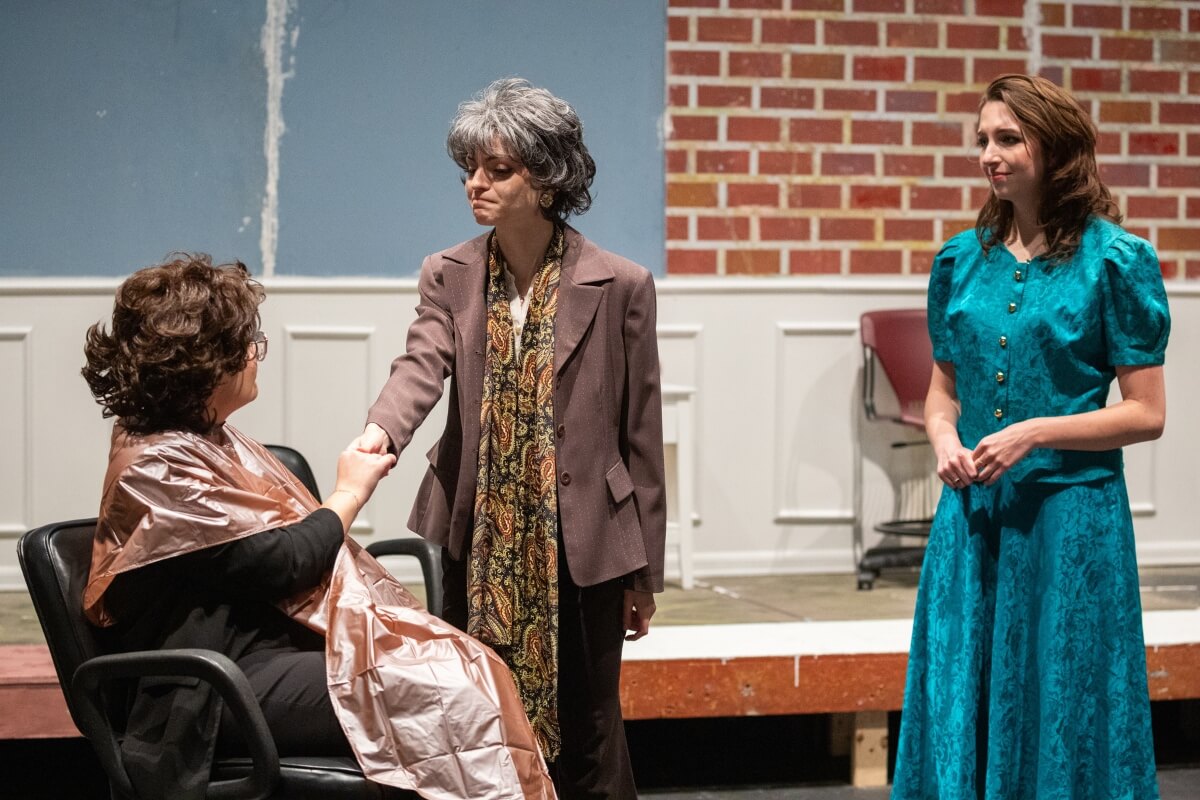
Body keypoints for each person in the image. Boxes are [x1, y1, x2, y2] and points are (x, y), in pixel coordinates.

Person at [82, 254, 555, 800]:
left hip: (262, 654)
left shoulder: (199, 437)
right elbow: (283, 562)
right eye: (247, 345)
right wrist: (350, 492)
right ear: (205, 365)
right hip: (209, 686)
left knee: (465, 667)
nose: (257, 356)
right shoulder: (157, 468)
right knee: (444, 691)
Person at [355, 78, 666, 798]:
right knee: (480, 715)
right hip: (480, 533)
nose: (475, 184)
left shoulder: (620, 284)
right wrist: (380, 431)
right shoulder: (451, 273)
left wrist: (645, 576)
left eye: (498, 169)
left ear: (548, 175)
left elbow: (640, 437)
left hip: (587, 537)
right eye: (470, 168)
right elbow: (420, 364)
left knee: (591, 726)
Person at [892, 74, 1169, 799]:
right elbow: (942, 392)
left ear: (1058, 148)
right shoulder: (960, 260)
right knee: (964, 689)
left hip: (1071, 522)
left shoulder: (1117, 260)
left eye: (1008, 138)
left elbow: (1146, 413)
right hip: (974, 517)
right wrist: (944, 438)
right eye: (983, 138)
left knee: (1065, 694)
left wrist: (1035, 433)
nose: (990, 153)